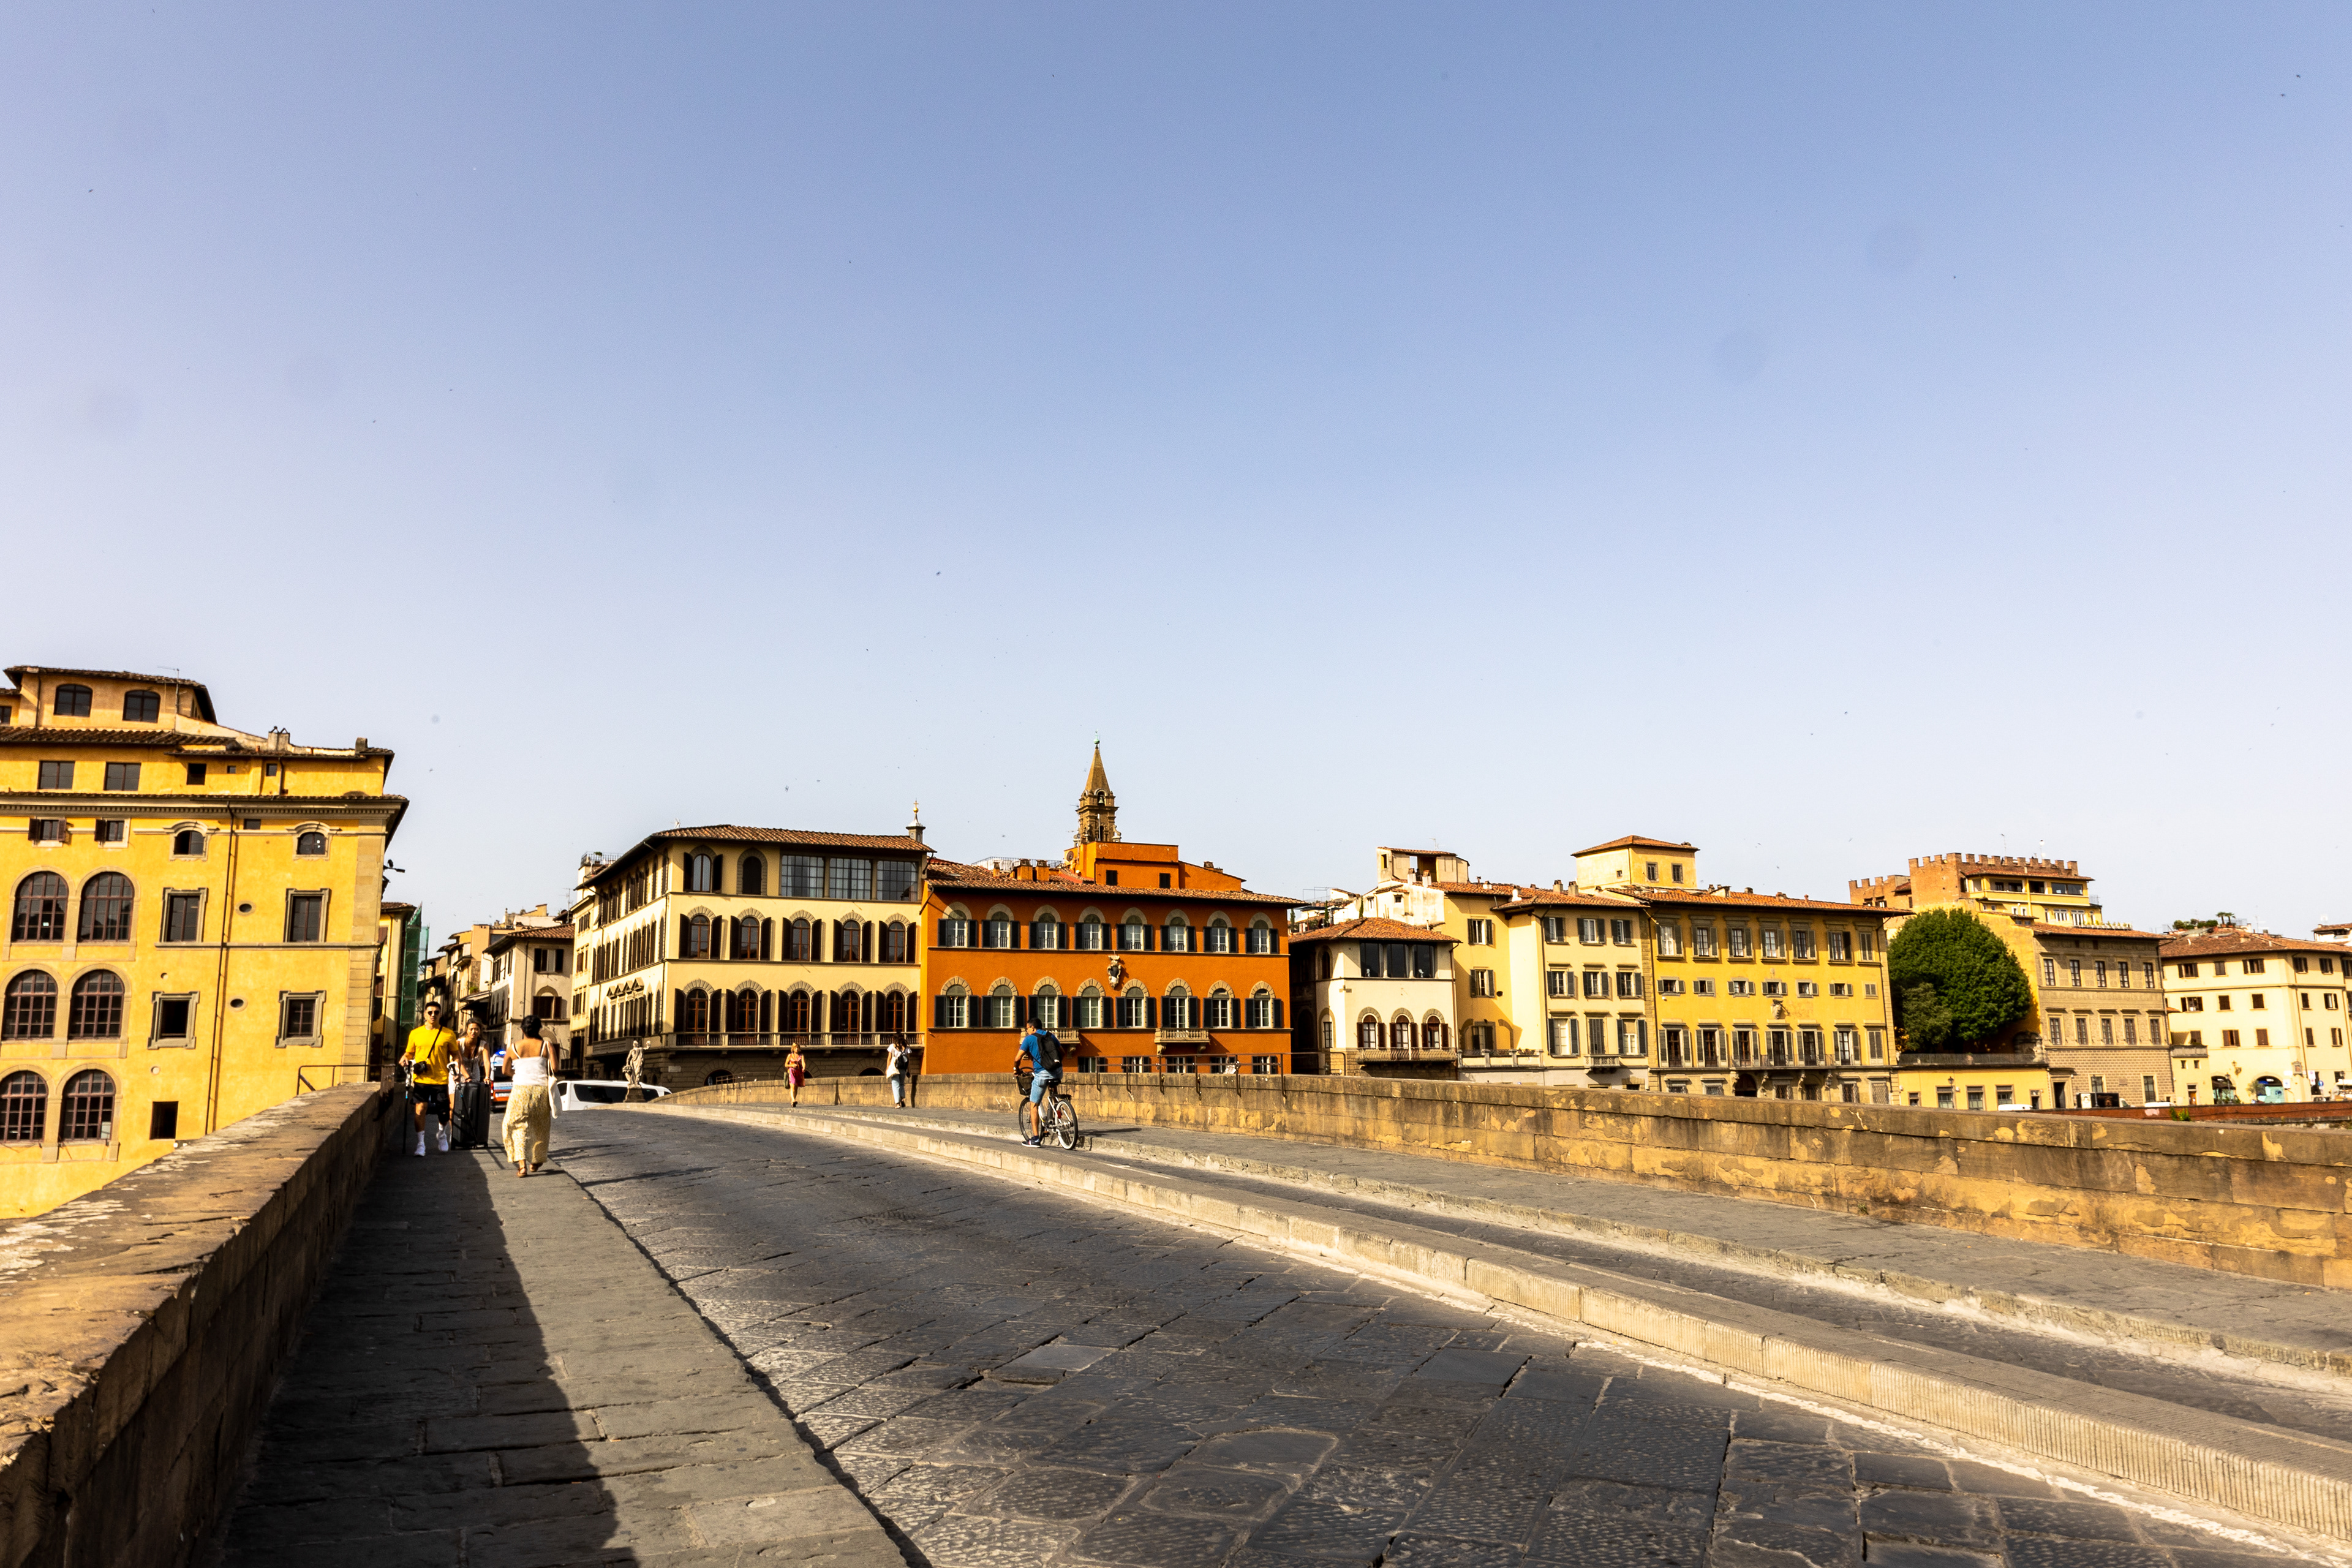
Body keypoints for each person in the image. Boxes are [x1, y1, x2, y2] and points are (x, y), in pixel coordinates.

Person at [402, 1003, 457, 1156]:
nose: (433, 1015)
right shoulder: (415, 1033)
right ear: (425, 1015)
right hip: (421, 1078)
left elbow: (456, 1053)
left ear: (440, 1015)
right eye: (430, 1012)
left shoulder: (448, 1034)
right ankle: (421, 1145)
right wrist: (405, 1059)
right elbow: (409, 1053)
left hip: (441, 1078)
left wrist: (456, 1065)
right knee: (420, 1110)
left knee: (444, 1113)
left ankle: (442, 1134)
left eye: (436, 1012)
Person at [503, 1017, 555, 1177]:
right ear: (539, 1029)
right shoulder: (547, 1045)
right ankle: (537, 1161)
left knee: (514, 1126)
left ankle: (522, 1165)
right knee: (540, 1127)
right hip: (541, 1091)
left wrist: (518, 1073)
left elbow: (505, 1071)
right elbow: (555, 1068)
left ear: (522, 1030)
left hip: (520, 1090)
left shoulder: (514, 1047)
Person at [1014, 1023, 1061, 1145]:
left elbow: (1018, 1058)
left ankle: (1035, 1139)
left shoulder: (1029, 1039)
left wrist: (1016, 1069)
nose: (1027, 1031)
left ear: (1033, 1027)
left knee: (1034, 1105)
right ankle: (1057, 1115)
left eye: (1027, 1028)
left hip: (1042, 1074)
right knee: (1052, 1092)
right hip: (1058, 1072)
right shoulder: (1051, 1036)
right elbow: (1062, 1053)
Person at [885, 1035, 913, 1107]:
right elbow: (908, 1061)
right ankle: (902, 1098)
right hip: (903, 1068)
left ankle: (897, 1103)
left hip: (895, 1068)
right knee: (901, 1084)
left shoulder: (892, 1047)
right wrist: (908, 1071)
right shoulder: (907, 1048)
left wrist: (887, 1069)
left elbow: (889, 1058)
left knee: (895, 1085)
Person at [785, 1041, 808, 1107]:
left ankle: (793, 1102)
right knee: (792, 1086)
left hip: (799, 1073)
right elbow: (786, 1065)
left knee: (796, 1088)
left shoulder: (801, 1055)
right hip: (792, 1072)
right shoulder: (790, 1055)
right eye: (795, 1048)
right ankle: (793, 1100)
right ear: (793, 1048)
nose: (797, 1049)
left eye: (798, 1048)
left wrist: (804, 1068)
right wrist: (792, 1066)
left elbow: (803, 1063)